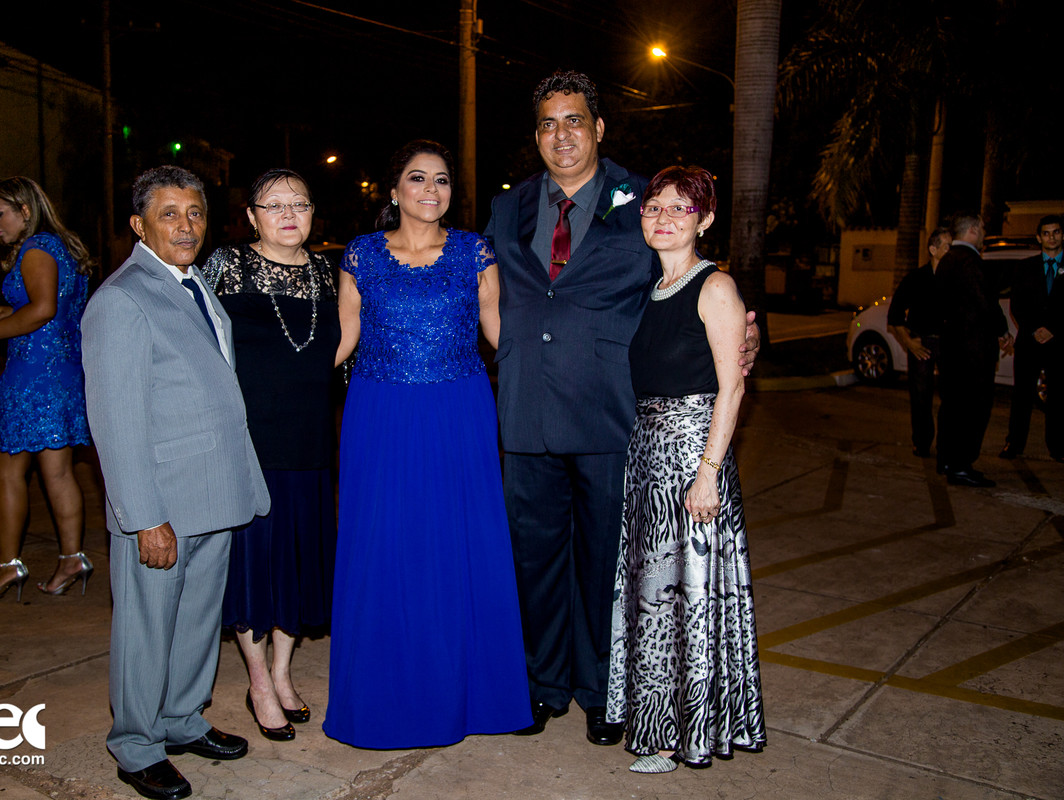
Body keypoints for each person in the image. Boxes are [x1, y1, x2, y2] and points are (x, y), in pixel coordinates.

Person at [484, 69, 759, 746]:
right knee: (535, 558)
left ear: (599, 127)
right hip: (525, 415)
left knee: (610, 563)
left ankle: (606, 690)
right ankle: (543, 683)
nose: (562, 135)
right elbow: (491, 296)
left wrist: (748, 332)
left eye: (574, 119)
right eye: (548, 123)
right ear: (536, 136)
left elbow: (691, 277)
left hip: (613, 414)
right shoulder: (508, 206)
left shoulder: (643, 200)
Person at [323, 140, 531, 749]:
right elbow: (344, 336)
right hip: (379, 412)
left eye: (441, 181)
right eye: (417, 179)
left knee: (455, 543)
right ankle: (385, 696)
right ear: (394, 191)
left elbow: (501, 333)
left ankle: (469, 693)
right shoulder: (360, 254)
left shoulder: (474, 250)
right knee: (383, 544)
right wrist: (278, 383)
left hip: (457, 410)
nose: (431, 191)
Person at [82, 166, 269, 800]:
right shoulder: (122, 298)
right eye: (169, 214)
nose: (185, 226)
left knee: (195, 621)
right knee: (145, 630)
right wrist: (142, 515)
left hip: (213, 489)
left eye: (194, 213)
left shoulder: (192, 285)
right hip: (161, 501)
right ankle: (135, 745)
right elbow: (115, 420)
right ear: (139, 224)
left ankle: (182, 720)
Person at [606, 166, 765, 774]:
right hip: (647, 458)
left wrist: (708, 471)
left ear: (706, 219)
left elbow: (731, 389)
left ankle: (681, 732)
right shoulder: (652, 288)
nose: (664, 218)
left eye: (680, 207)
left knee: (688, 597)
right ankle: (656, 723)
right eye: (653, 208)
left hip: (693, 460)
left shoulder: (714, 286)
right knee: (652, 597)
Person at [200, 168, 339, 742]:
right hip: (248, 442)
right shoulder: (226, 266)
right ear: (252, 215)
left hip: (311, 441)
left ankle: (283, 673)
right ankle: (257, 680)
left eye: (300, 204)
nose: (289, 214)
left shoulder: (329, 273)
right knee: (256, 565)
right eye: (274, 204)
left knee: (299, 563)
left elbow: (350, 354)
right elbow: (198, 351)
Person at [0, 177, 93, 600]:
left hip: (33, 375)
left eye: (0, 213)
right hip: (62, 373)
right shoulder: (59, 247)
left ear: (26, 210)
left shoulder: (36, 248)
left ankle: (8, 565)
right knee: (58, 473)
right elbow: (53, 306)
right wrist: (7, 311)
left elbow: (43, 308)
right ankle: (72, 558)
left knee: (9, 473)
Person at [934, 213, 1014, 487]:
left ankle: (946, 459)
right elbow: (985, 302)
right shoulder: (970, 262)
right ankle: (961, 465)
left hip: (951, 347)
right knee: (973, 408)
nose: (983, 232)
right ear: (970, 230)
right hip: (972, 350)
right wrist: (1002, 331)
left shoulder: (946, 261)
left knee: (952, 405)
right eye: (981, 228)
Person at [1001, 214, 1064, 460]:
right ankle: (1014, 444)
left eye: (1056, 232)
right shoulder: (1024, 267)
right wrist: (1034, 328)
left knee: (1058, 397)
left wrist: (1053, 328)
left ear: (1063, 235)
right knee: (1022, 396)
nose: (1052, 237)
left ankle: (1058, 447)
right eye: (1046, 233)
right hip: (1030, 341)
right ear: (1039, 237)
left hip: (1059, 343)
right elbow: (1017, 304)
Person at [888, 226, 952, 458]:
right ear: (933, 249)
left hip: (949, 344)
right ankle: (922, 442)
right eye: (947, 246)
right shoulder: (915, 278)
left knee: (952, 395)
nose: (951, 251)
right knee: (920, 396)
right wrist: (909, 342)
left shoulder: (957, 280)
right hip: (921, 343)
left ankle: (948, 444)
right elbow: (894, 315)